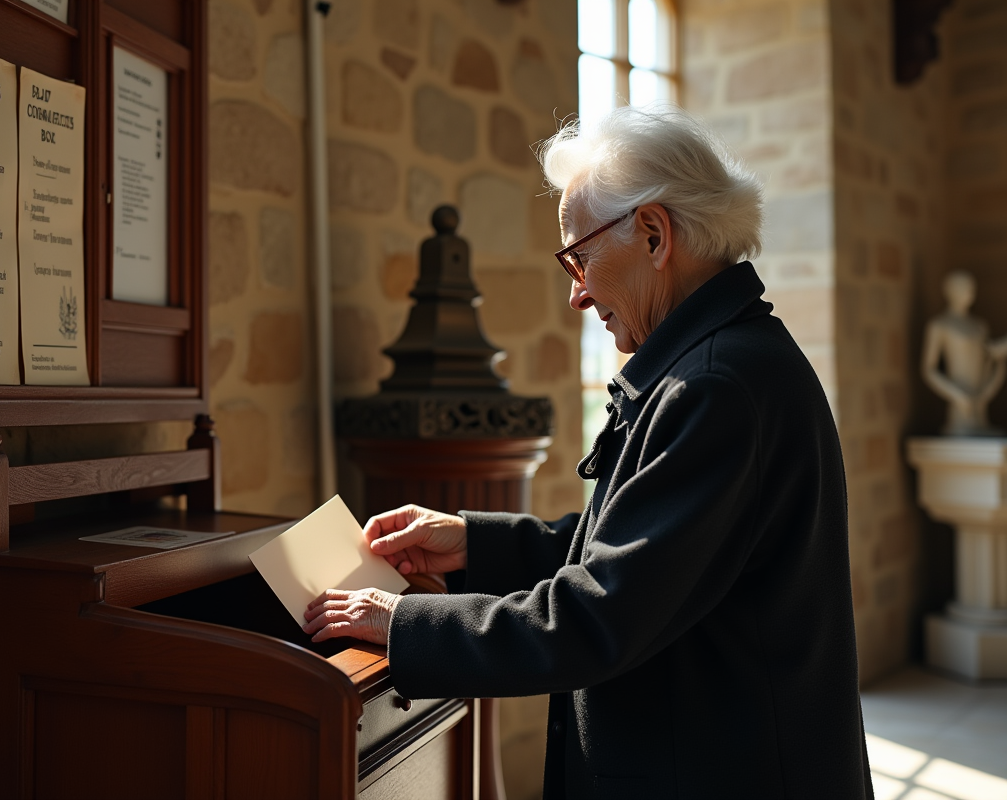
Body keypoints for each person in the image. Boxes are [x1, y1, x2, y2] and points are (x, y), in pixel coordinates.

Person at [304, 106, 873, 799]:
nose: (576, 294)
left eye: (579, 256)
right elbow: (643, 548)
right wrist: (475, 545)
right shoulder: (717, 363)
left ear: (655, 234)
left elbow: (599, 614)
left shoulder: (718, 385)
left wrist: (402, 622)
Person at [921, 270, 1007, 435]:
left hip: (980, 407)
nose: (969, 293)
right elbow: (928, 369)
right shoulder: (940, 325)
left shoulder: (980, 326)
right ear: (950, 291)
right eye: (964, 288)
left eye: (971, 289)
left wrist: (988, 390)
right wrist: (957, 394)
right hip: (959, 409)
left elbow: (990, 356)